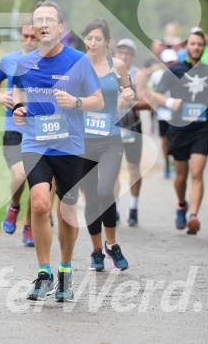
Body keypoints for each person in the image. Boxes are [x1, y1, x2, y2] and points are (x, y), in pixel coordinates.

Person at [12, 1, 104, 302]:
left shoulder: (79, 61)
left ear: (61, 28)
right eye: (39, 20)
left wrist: (76, 103)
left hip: (71, 146)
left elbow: (98, 101)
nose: (44, 24)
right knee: (39, 204)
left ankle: (65, 270)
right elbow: (18, 89)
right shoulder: (25, 62)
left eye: (50, 19)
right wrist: (17, 107)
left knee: (66, 212)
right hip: (35, 142)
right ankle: (43, 273)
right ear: (34, 28)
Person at [154, 30, 208, 234]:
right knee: (181, 176)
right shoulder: (174, 70)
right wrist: (169, 102)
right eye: (192, 44)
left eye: (200, 44)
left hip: (202, 129)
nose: (196, 48)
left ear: (204, 47)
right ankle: (181, 205)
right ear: (186, 47)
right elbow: (155, 94)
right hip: (179, 129)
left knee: (197, 173)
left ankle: (194, 216)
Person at [80, 19, 135, 271]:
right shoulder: (76, 66)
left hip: (110, 138)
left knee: (105, 191)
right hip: (82, 141)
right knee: (91, 198)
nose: (93, 43)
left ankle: (112, 245)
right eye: (89, 38)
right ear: (84, 40)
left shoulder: (118, 65)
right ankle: (96, 251)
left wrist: (129, 93)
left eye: (98, 39)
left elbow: (128, 88)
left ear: (106, 41)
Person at [0, 17, 38, 247]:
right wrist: (0, 97)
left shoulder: (47, 63)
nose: (29, 41)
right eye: (25, 36)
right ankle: (14, 207)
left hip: (39, 131)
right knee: (20, 175)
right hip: (13, 129)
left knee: (37, 182)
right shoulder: (9, 60)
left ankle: (29, 227)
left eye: (33, 37)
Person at [114, 38, 153, 227]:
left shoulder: (138, 76)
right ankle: (114, 208)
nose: (123, 56)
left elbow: (148, 102)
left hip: (132, 127)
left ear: (133, 56)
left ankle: (133, 208)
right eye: (120, 52)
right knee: (112, 170)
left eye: (127, 53)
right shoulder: (107, 72)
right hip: (112, 128)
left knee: (133, 169)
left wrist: (132, 102)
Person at [152, 48, 179, 179]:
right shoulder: (157, 75)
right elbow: (152, 93)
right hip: (162, 111)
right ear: (162, 61)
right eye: (168, 62)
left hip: (177, 112)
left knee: (176, 138)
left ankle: (175, 161)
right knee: (165, 139)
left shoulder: (182, 73)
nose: (170, 65)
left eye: (173, 62)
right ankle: (167, 163)